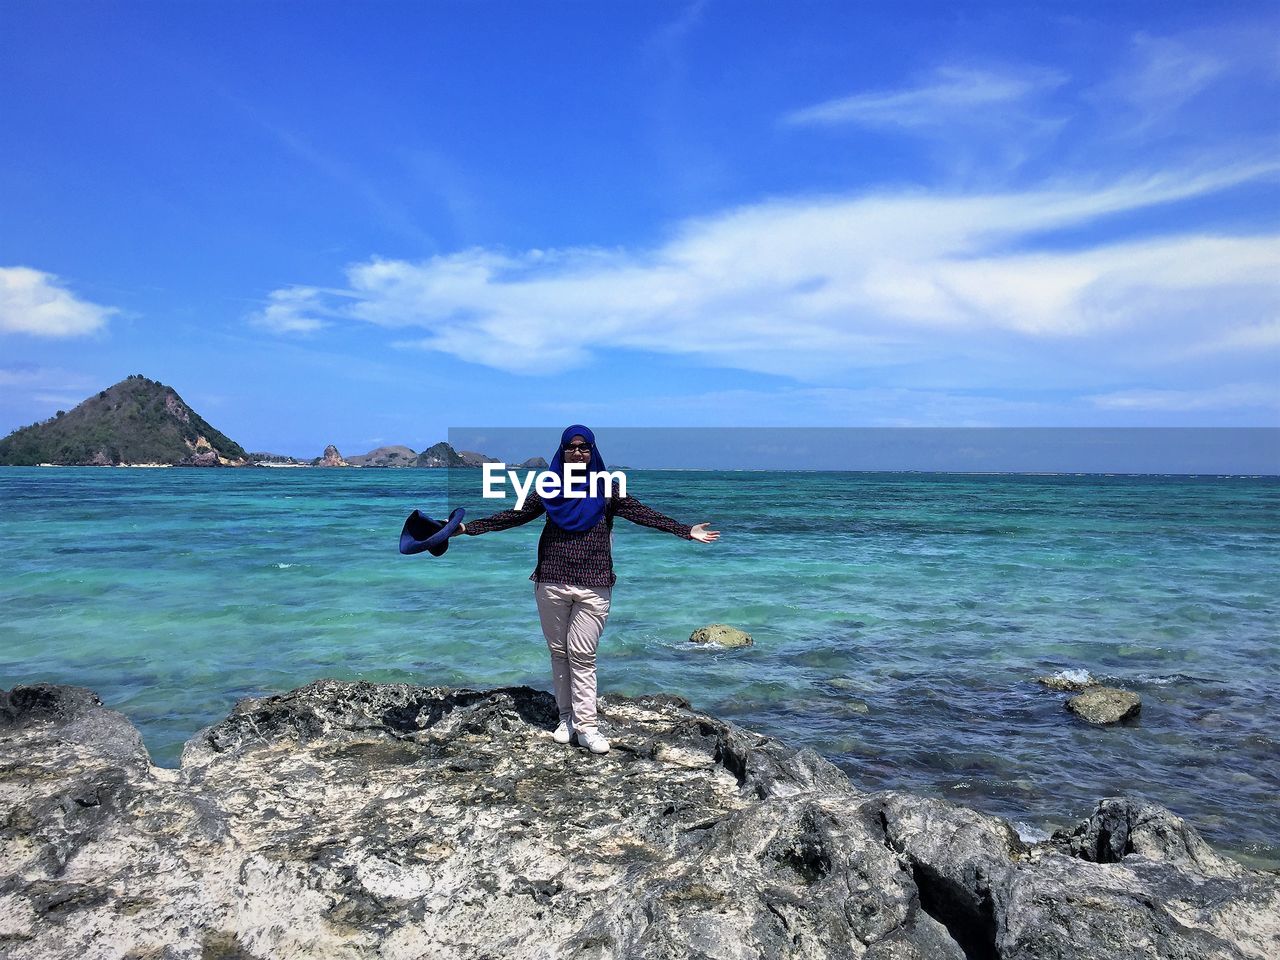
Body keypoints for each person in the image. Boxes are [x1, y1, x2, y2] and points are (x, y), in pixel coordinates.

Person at [455, 424, 719, 754]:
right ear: (562, 451)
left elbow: (642, 514)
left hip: (594, 585)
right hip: (551, 580)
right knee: (559, 653)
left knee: (583, 655)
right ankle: (566, 719)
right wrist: (466, 529)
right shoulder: (548, 488)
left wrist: (684, 530)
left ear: (593, 451)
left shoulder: (607, 488)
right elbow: (512, 516)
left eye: (585, 447)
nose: (578, 452)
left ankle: (588, 727)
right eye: (572, 447)